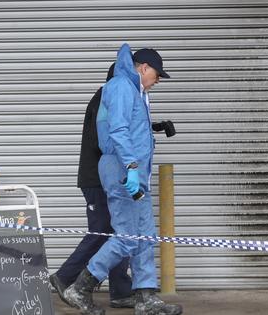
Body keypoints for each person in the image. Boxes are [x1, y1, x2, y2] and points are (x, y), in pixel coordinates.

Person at [63, 44, 182, 315]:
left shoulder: (136, 91)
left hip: (137, 173)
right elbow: (117, 129)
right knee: (128, 237)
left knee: (145, 237)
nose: (159, 79)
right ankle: (80, 287)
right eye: (157, 73)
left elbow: (134, 128)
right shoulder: (119, 86)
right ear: (143, 68)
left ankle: (145, 297)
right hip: (121, 170)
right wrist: (130, 166)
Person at [49, 64, 135, 309]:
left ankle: (121, 290)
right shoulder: (104, 100)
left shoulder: (109, 99)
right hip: (97, 179)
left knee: (121, 231)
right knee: (101, 231)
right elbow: (106, 139)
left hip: (107, 178)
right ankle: (64, 277)